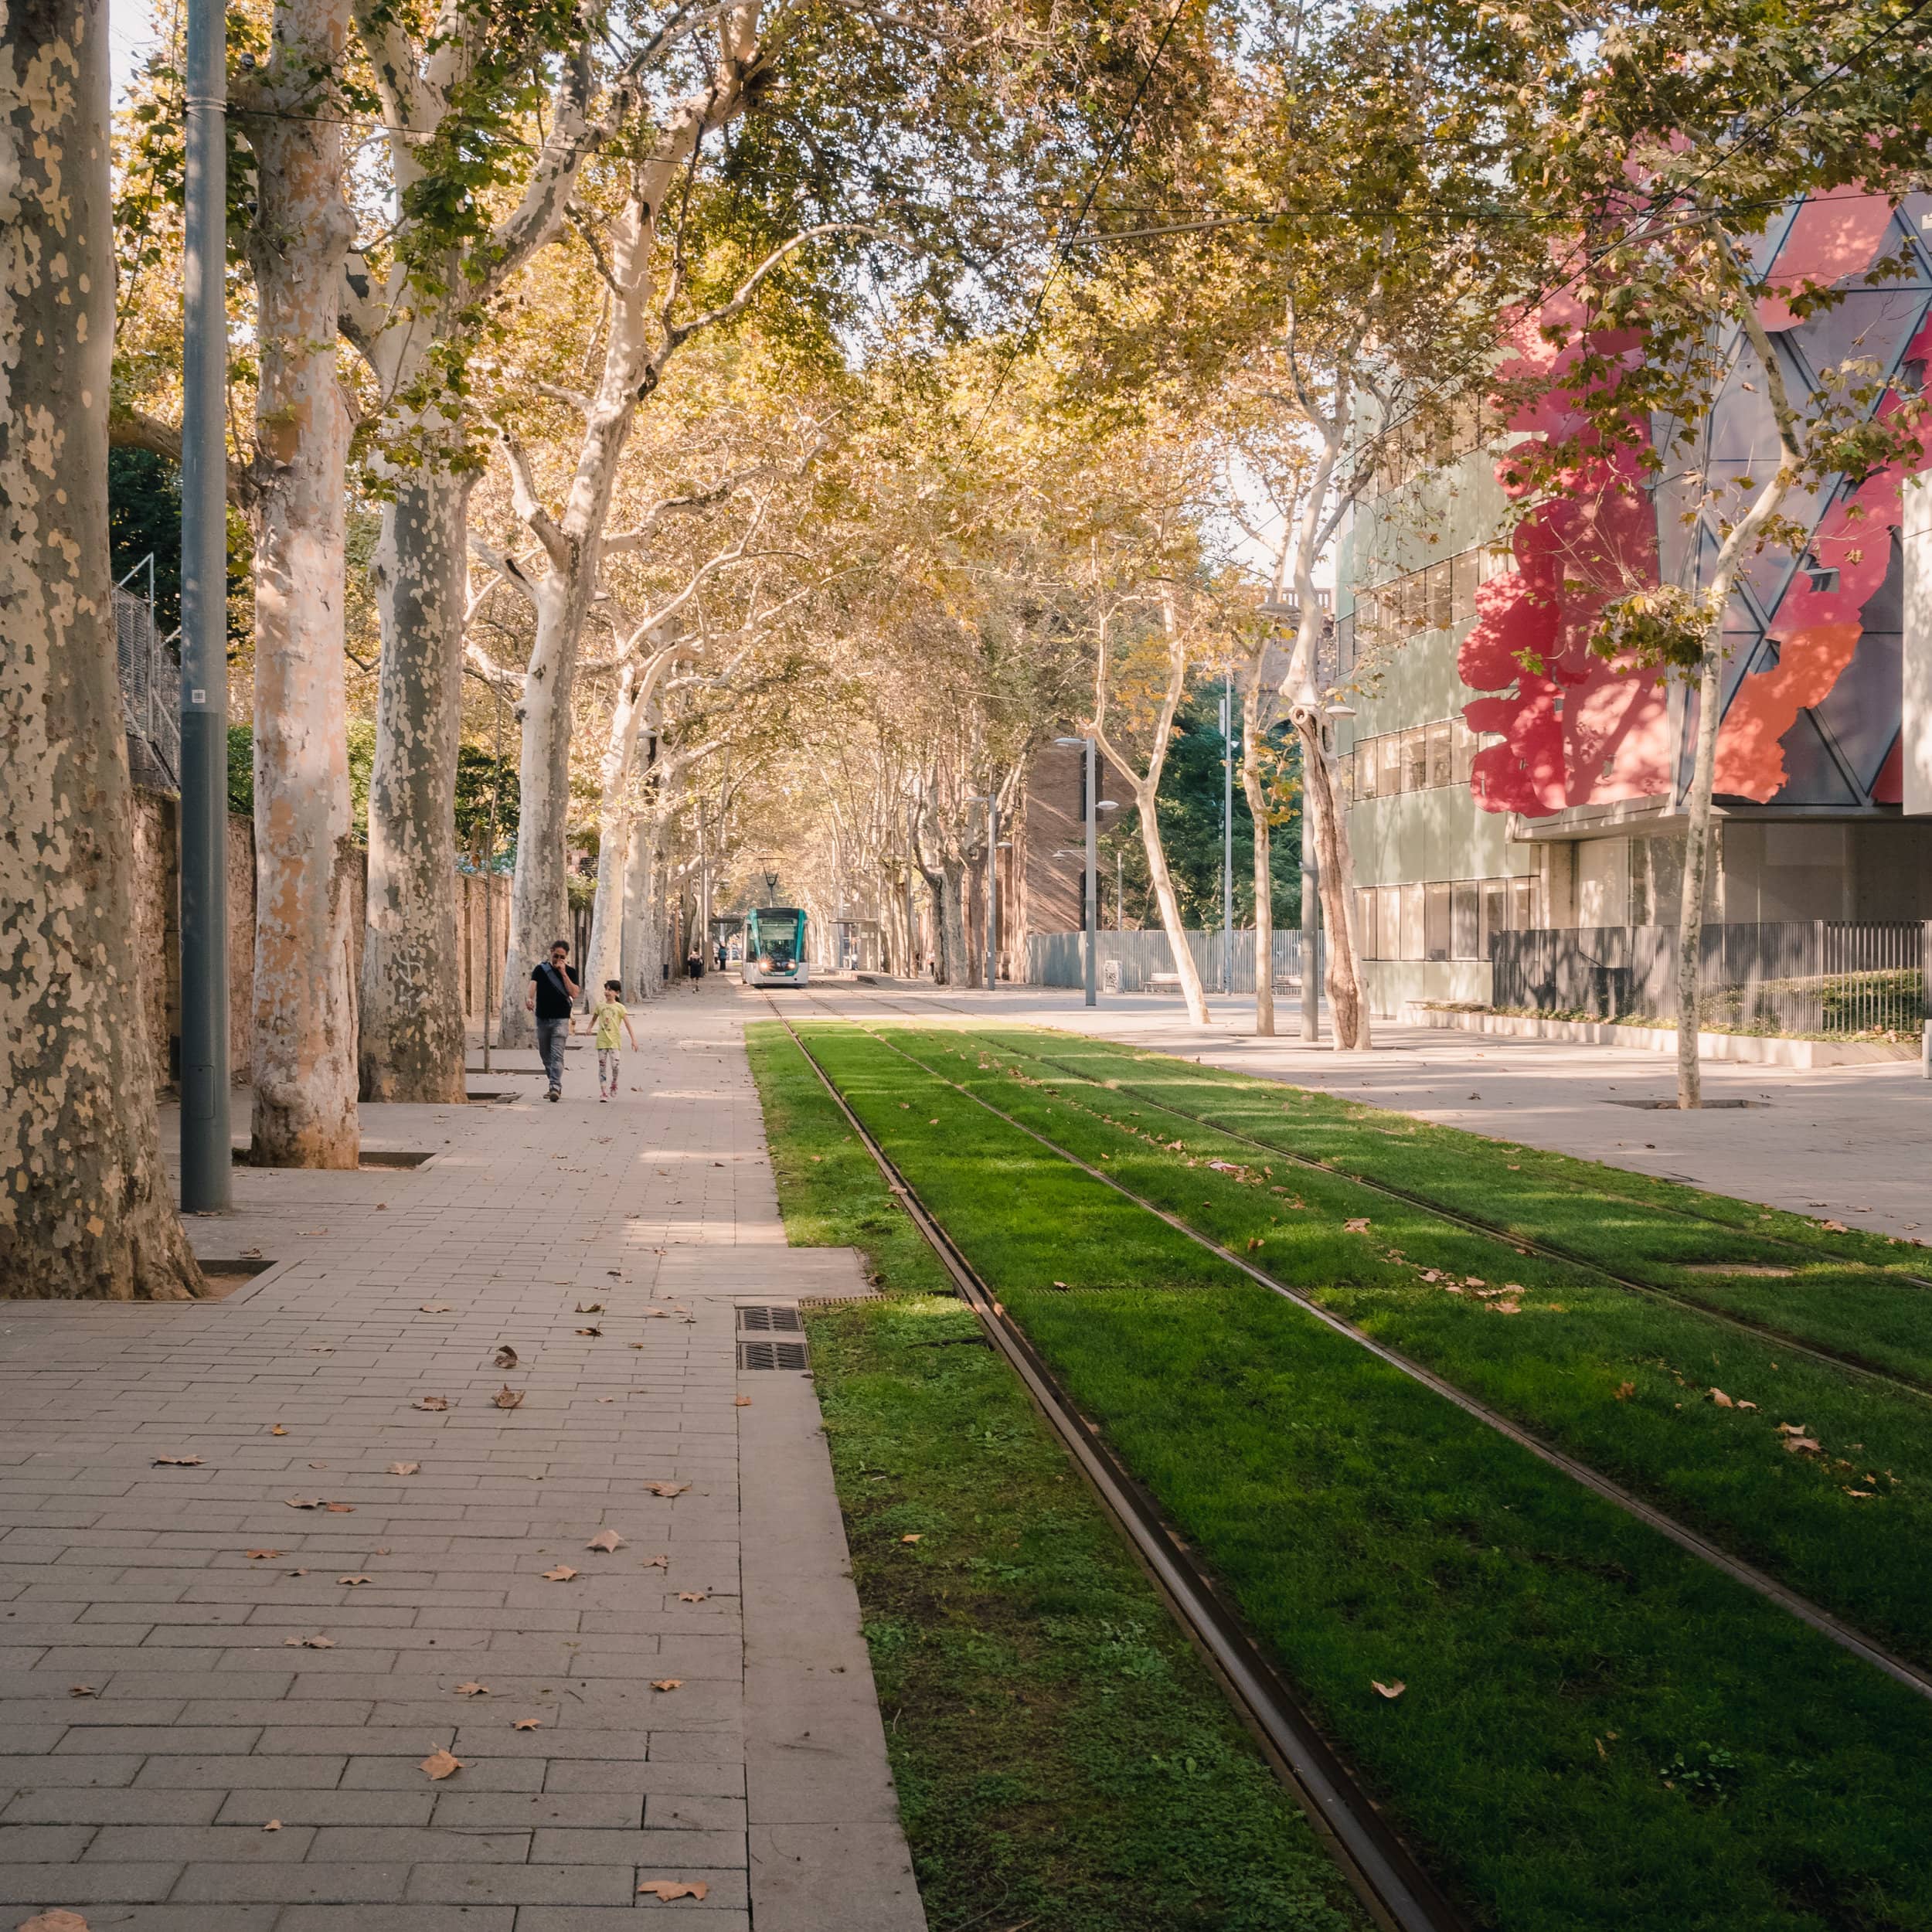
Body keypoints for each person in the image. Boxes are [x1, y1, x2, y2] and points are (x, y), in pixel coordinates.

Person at [526, 940, 580, 1101]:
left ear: (566, 957)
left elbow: (574, 993)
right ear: (551, 952)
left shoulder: (571, 972)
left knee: (557, 1054)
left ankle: (555, 1086)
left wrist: (563, 973)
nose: (558, 959)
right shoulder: (540, 970)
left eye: (562, 957)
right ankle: (554, 1083)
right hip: (542, 1018)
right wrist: (529, 998)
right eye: (556, 956)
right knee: (545, 1055)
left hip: (561, 1019)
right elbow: (533, 985)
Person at [583, 978, 637, 1103]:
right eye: (606, 989)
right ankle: (603, 1093)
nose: (607, 992)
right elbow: (593, 1019)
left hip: (615, 1042)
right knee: (602, 1067)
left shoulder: (620, 1008)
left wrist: (633, 1040)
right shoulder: (600, 1006)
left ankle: (614, 1082)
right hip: (602, 1041)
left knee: (615, 1066)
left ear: (617, 993)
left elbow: (628, 1025)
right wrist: (589, 1028)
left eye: (610, 990)